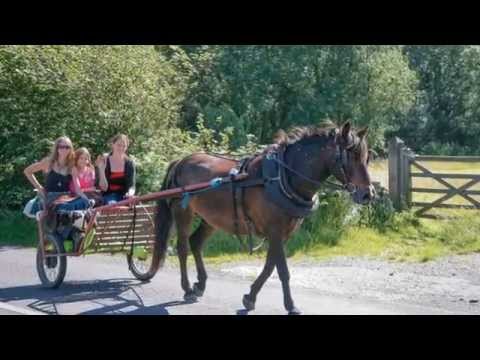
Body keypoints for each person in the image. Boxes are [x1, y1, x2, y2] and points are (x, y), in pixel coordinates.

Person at [96, 134, 136, 205]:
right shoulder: (105, 160)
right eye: (119, 145)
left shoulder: (130, 163)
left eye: (124, 146)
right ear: (113, 145)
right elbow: (102, 188)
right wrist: (101, 170)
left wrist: (130, 194)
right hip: (108, 196)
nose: (121, 148)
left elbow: (132, 186)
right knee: (112, 204)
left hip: (124, 196)